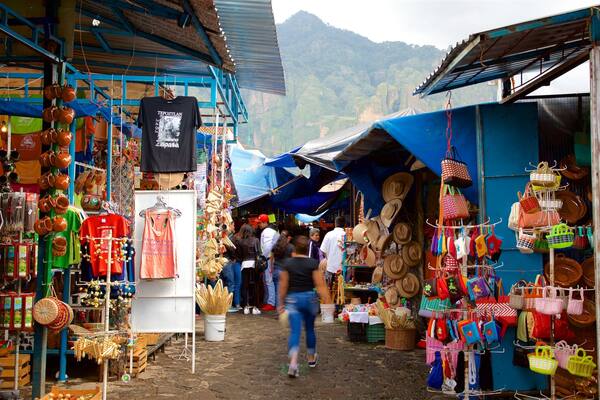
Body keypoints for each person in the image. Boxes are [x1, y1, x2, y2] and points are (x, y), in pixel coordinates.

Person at [278, 235, 332, 378]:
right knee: (310, 329)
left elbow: (283, 285)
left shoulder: (287, 264)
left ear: (294, 248)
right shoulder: (313, 263)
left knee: (295, 331)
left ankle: (294, 364)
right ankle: (311, 358)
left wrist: (281, 303)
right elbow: (320, 285)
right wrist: (328, 301)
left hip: (293, 299)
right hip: (310, 299)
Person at [238, 223, 261, 315]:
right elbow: (259, 252)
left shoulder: (240, 241)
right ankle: (255, 307)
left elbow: (239, 255)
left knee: (245, 286)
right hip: (255, 264)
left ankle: (245, 307)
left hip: (244, 264)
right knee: (256, 286)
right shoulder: (256, 240)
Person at [258, 214, 279, 312]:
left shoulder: (266, 232)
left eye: (260, 223)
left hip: (269, 259)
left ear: (265, 222)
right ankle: (272, 302)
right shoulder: (275, 231)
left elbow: (266, 247)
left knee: (269, 281)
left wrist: (263, 258)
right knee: (273, 281)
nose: (259, 225)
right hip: (274, 258)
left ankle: (271, 303)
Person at [320, 216, 346, 286]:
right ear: (344, 224)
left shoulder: (328, 234)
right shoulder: (346, 235)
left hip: (330, 266)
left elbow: (323, 250)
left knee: (329, 289)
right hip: (344, 267)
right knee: (342, 290)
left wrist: (328, 258)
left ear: (335, 223)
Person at [222, 228, 242, 312]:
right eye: (232, 225)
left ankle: (225, 304)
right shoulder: (228, 238)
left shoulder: (225, 238)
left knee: (224, 283)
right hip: (227, 261)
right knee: (230, 283)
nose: (234, 227)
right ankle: (228, 305)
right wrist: (234, 257)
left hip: (223, 261)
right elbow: (231, 249)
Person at [271, 230, 293, 307]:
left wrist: (271, 269)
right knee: (286, 292)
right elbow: (293, 259)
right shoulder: (290, 247)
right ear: (288, 238)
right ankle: (285, 311)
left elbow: (271, 258)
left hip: (276, 270)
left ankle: (279, 312)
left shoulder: (276, 246)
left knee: (278, 292)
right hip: (286, 272)